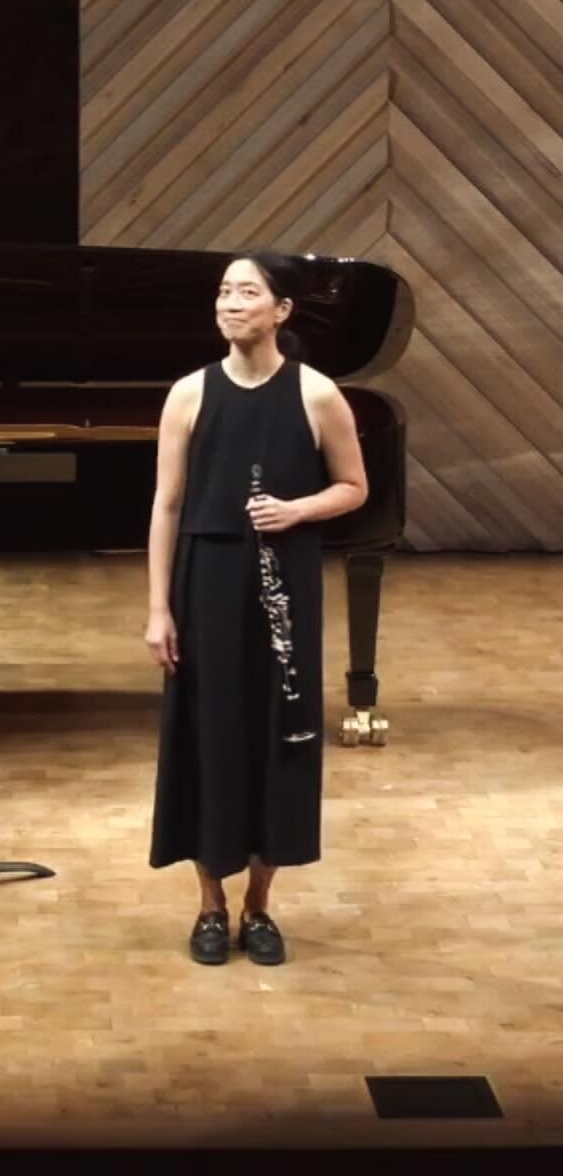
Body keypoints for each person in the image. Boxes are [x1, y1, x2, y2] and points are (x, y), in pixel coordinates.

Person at [145, 251, 367, 965]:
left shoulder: (318, 394)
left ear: (281, 311)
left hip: (284, 580)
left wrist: (297, 509)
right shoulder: (187, 393)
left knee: (279, 733)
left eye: (247, 292)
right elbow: (167, 505)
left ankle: (260, 906)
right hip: (205, 577)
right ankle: (210, 905)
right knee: (208, 735)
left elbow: (355, 487)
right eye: (224, 291)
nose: (231, 302)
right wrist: (158, 608)